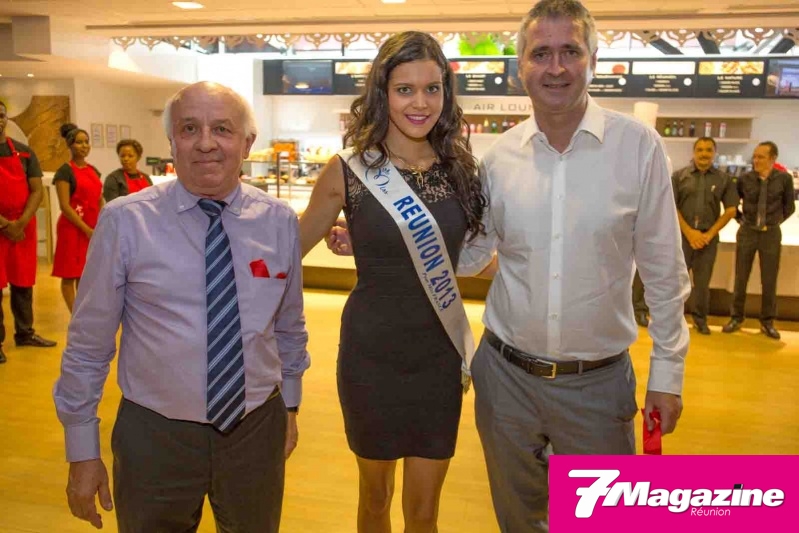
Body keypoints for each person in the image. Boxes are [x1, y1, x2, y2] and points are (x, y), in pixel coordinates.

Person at [455, 2, 689, 530]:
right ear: (520, 66)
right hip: (504, 381)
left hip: (597, 387)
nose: (556, 67)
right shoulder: (498, 158)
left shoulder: (638, 148)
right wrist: (386, 235)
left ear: (594, 60)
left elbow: (665, 273)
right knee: (518, 520)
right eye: (541, 53)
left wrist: (667, 375)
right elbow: (472, 254)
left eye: (570, 52)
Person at [53, 82, 310, 532]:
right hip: (154, 436)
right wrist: (82, 449)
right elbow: (88, 345)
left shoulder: (279, 222)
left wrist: (289, 408)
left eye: (222, 129)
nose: (206, 142)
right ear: (172, 141)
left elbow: (289, 327)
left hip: (255, 428)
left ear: (248, 142)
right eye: (190, 128)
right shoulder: (125, 222)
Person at [299, 31, 485, 533]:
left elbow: (473, 258)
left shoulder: (462, 172)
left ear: (446, 93)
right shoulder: (347, 171)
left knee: (424, 512)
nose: (420, 103)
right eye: (405, 89)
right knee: (375, 499)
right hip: (371, 358)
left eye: (432, 89)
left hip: (438, 358)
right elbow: (286, 255)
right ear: (382, 93)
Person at [0, 101, 57, 364]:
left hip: (23, 226)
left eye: (1, 115)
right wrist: (5, 224)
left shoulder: (24, 153)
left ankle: (25, 333)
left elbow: (36, 190)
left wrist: (20, 223)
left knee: (23, 282)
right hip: (2, 227)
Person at [722, 141, 795, 340]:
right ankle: (736, 317)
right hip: (747, 233)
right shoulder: (745, 179)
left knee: (769, 278)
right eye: (755, 156)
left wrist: (773, 222)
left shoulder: (784, 179)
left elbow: (789, 207)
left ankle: (767, 322)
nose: (756, 160)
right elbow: (732, 203)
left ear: (773, 158)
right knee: (741, 276)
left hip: (771, 234)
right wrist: (742, 220)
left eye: (761, 157)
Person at [672, 137, 738, 334]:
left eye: (708, 150)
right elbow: (671, 207)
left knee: (702, 283)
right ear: (694, 152)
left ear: (714, 153)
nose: (704, 154)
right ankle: (673, 321)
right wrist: (690, 233)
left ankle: (700, 320)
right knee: (676, 282)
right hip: (682, 238)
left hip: (708, 240)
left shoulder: (724, 179)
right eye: (700, 150)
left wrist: (708, 235)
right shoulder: (679, 176)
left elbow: (731, 210)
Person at [51, 123, 103, 312]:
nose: (84, 146)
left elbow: (99, 199)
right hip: (72, 229)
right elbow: (65, 206)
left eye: (86, 142)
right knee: (69, 275)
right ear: (70, 145)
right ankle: (75, 316)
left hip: (92, 229)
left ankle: (84, 312)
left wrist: (101, 222)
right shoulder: (64, 172)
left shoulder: (93, 171)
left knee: (85, 274)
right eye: (79, 142)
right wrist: (85, 228)